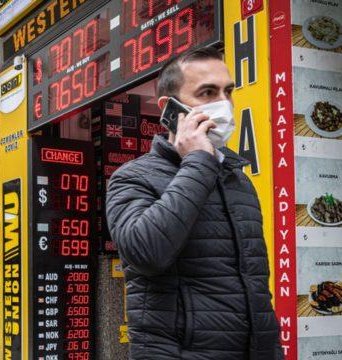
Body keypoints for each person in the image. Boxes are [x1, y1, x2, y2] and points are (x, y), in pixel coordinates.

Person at [106, 47, 283, 359]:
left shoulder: (238, 180)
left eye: (228, 92)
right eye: (207, 93)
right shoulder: (132, 177)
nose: (224, 104)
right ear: (168, 108)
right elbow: (145, 253)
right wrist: (198, 161)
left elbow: (254, 282)